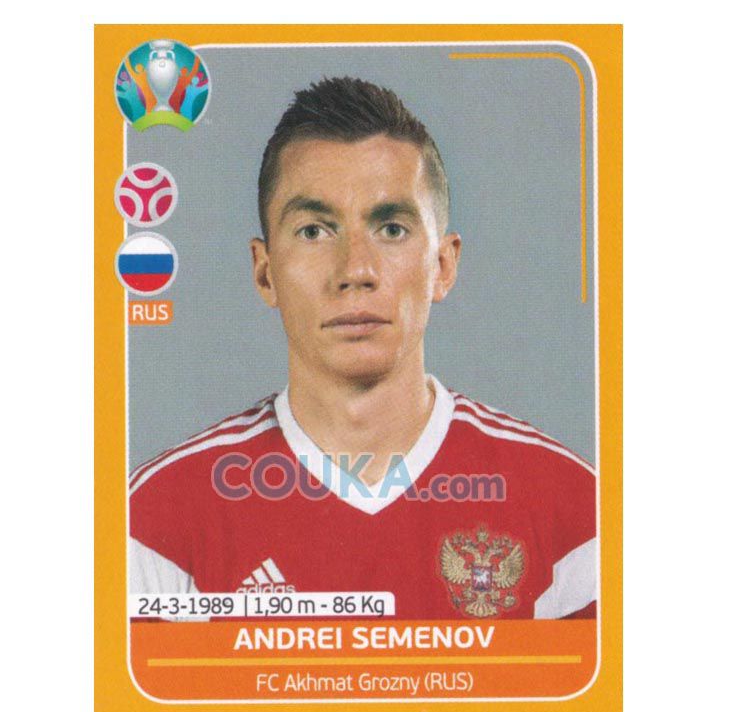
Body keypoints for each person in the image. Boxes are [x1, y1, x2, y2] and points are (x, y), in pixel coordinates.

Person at [129, 77, 596, 619]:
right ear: (265, 272)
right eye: (313, 231)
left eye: (391, 229)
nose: (355, 270)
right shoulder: (156, 521)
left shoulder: (572, 511)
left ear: (443, 266)